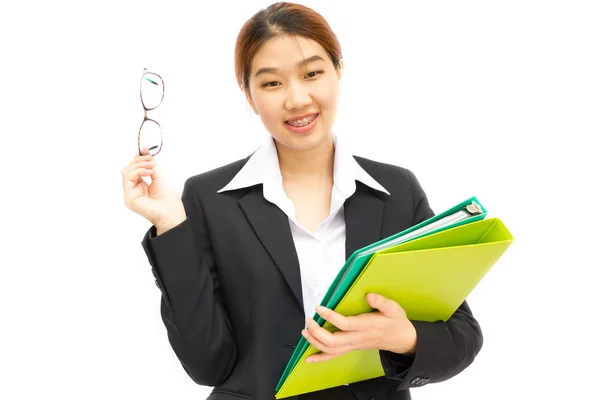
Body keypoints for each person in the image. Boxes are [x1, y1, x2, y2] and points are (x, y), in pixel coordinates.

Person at [121, 2, 483, 399]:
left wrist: (405, 337)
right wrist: (171, 225)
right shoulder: (208, 198)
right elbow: (207, 363)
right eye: (272, 83)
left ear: (338, 73)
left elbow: (461, 336)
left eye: (312, 73)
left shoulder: (396, 191)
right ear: (248, 94)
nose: (296, 99)